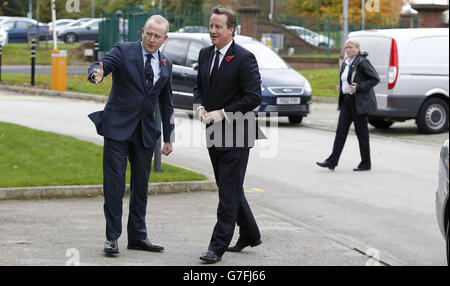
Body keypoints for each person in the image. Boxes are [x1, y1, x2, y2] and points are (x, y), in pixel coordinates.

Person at [87, 15, 174, 255]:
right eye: (149, 34)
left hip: (145, 133)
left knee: (141, 187)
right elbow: (103, 65)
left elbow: (166, 103)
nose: (152, 39)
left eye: (157, 36)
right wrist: (97, 73)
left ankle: (138, 237)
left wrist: (168, 137)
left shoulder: (166, 64)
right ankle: (112, 238)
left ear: (164, 39)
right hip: (118, 129)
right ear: (142, 31)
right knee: (114, 185)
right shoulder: (124, 51)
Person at [194, 6, 263, 264]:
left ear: (231, 30)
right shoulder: (204, 54)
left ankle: (216, 247)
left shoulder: (245, 58)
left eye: (218, 27)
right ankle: (250, 233)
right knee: (229, 188)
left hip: (237, 133)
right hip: (213, 133)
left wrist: (222, 113)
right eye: (211, 26)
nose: (212, 31)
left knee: (227, 193)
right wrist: (200, 106)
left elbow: (254, 97)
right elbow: (199, 87)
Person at [317, 39, 379, 171]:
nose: (348, 50)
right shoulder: (345, 63)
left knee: (361, 134)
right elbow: (347, 78)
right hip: (347, 101)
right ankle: (332, 161)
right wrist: (342, 87)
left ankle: (366, 163)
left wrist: (359, 87)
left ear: (357, 48)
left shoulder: (363, 62)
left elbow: (375, 78)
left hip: (359, 103)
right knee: (340, 132)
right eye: (346, 47)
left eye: (350, 47)